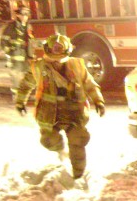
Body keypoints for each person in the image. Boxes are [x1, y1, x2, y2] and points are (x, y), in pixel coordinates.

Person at [14, 34, 105, 180]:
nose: (56, 54)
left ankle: (78, 177)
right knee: (48, 140)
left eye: (59, 49)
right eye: (54, 50)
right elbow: (26, 85)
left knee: (78, 142)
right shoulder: (39, 67)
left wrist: (98, 101)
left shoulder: (77, 65)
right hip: (50, 115)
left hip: (74, 114)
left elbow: (90, 84)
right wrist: (20, 101)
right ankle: (61, 151)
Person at [1, 6, 34, 99]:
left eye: (27, 14)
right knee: (16, 76)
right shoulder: (11, 26)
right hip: (15, 55)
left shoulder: (28, 26)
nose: (25, 16)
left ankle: (24, 95)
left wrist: (31, 55)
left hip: (25, 56)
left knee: (26, 75)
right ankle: (16, 95)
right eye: (23, 14)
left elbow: (30, 41)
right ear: (18, 15)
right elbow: (3, 41)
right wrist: (9, 53)